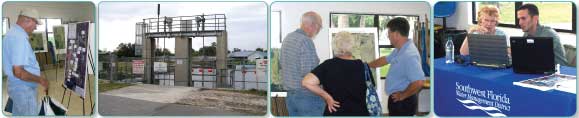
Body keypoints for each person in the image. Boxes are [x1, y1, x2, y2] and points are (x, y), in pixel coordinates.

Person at [302, 31, 371, 116]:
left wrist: (327, 97)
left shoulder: (328, 65)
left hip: (335, 112)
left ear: (334, 46)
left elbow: (306, 82)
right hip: (360, 113)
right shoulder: (363, 66)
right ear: (352, 45)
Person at [368, 17, 425, 116]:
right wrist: (367, 65)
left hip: (403, 102)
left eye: (389, 33)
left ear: (396, 34)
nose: (388, 36)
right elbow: (384, 60)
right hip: (397, 99)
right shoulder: (400, 49)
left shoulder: (409, 55)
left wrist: (403, 95)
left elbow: (419, 82)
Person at [2, 8, 49, 115]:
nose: (36, 27)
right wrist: (40, 80)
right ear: (27, 20)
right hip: (24, 89)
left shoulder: (11, 33)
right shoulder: (19, 38)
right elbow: (19, 72)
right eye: (35, 23)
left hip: (15, 86)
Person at [280, 11, 324, 116]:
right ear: (314, 25)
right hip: (307, 98)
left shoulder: (287, 38)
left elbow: (281, 65)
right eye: (319, 28)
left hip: (291, 97)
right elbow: (309, 74)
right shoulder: (306, 41)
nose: (317, 31)